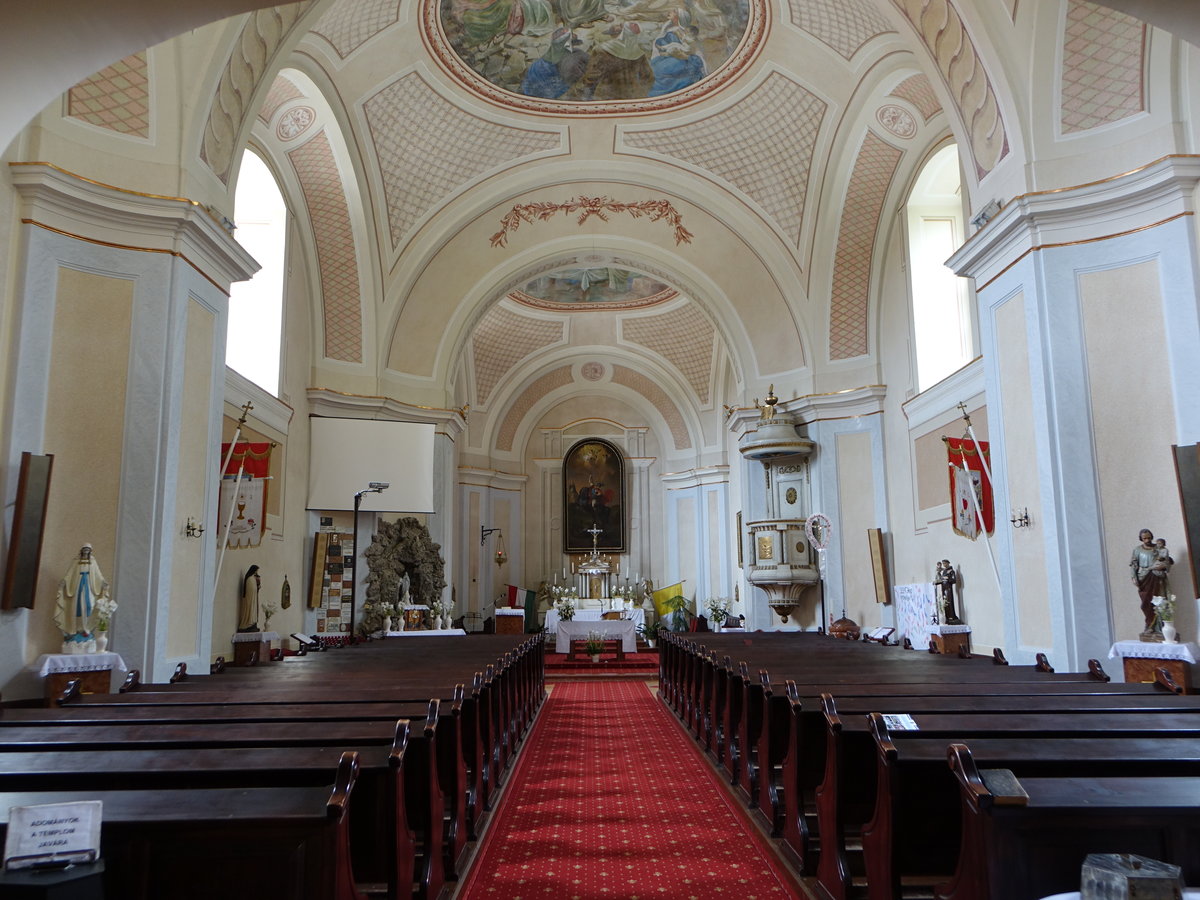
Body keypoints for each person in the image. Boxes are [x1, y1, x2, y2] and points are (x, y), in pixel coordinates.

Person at [54, 543, 110, 646]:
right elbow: (70, 574)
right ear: (82, 550)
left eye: (88, 550)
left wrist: (102, 583)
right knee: (77, 608)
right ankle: (75, 630)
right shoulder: (76, 561)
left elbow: (98, 575)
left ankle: (87, 629)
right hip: (78, 586)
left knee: (89, 607)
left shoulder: (92, 561)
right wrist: (65, 582)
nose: (86, 551)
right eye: (84, 550)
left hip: (89, 587)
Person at [1131, 529, 1171, 634]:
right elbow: (1134, 565)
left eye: (1149, 537)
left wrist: (1163, 566)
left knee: (1160, 601)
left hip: (1158, 578)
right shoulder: (1137, 550)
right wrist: (1133, 577)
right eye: (1144, 538)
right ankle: (1149, 624)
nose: (1147, 540)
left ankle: (1162, 627)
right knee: (1146, 603)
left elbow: (1167, 561)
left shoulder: (1159, 548)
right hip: (1144, 578)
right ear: (1141, 539)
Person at [936, 559, 962, 625]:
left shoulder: (951, 571)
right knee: (945, 604)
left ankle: (952, 617)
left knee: (949, 602)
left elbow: (954, 580)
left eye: (945, 563)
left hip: (948, 588)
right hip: (944, 588)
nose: (944, 565)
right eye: (943, 563)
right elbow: (941, 579)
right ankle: (948, 617)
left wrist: (948, 579)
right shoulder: (944, 571)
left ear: (948, 563)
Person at [238, 565, 262, 632]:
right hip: (250, 598)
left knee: (253, 610)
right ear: (253, 570)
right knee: (250, 609)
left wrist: (258, 585)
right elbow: (250, 589)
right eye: (256, 570)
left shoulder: (253, 578)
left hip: (254, 598)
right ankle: (248, 623)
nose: (257, 572)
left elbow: (255, 588)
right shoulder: (250, 579)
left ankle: (252, 623)